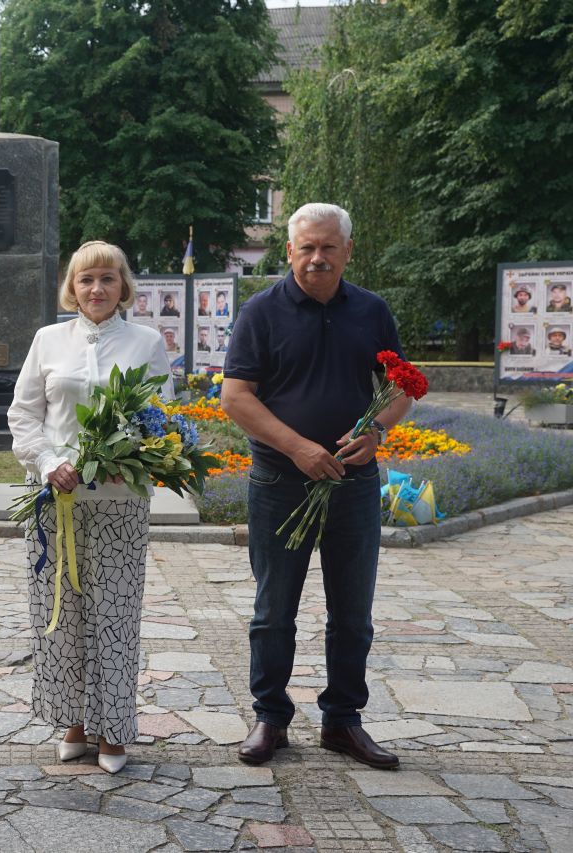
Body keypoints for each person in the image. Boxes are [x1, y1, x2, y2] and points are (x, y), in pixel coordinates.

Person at [221, 203, 409, 770]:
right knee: (273, 611)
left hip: (353, 483)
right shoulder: (261, 311)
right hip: (280, 480)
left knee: (353, 613)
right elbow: (236, 396)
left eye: (328, 247)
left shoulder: (372, 311)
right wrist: (298, 447)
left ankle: (343, 721)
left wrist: (377, 430)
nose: (317, 258)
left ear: (348, 250)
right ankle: (270, 718)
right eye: (306, 247)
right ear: (289, 251)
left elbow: (402, 386)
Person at [8, 240, 174, 775]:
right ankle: (73, 722)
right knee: (61, 615)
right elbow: (23, 413)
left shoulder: (146, 342)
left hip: (119, 503)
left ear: (123, 286)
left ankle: (113, 729)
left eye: (107, 278)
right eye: (86, 279)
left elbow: (161, 416)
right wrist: (47, 461)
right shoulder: (48, 340)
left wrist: (124, 459)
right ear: (72, 288)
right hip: (55, 498)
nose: (97, 288)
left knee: (115, 616)